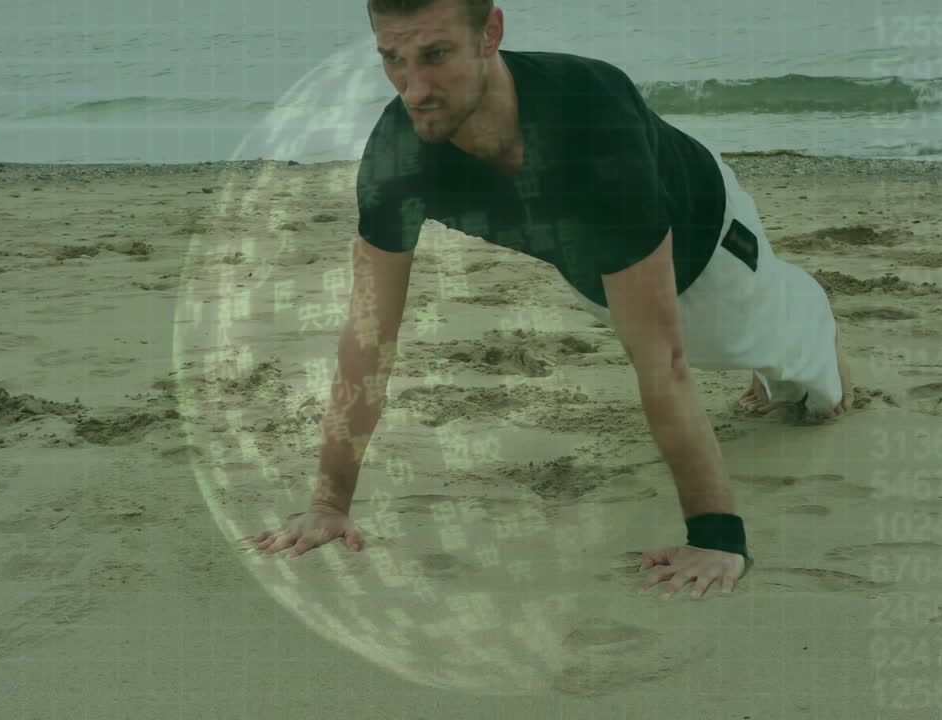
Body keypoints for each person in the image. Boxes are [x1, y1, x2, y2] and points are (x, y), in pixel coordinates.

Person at [244, 0, 854, 600]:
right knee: (708, 349)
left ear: (491, 33)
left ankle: (816, 321)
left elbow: (661, 361)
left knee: (805, 381)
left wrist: (717, 537)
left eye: (435, 55)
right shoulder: (398, 156)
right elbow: (369, 335)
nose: (415, 88)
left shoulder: (591, 117)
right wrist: (328, 505)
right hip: (598, 266)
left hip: (709, 243)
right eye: (393, 59)